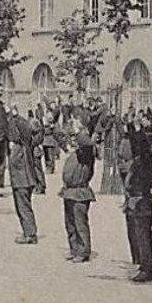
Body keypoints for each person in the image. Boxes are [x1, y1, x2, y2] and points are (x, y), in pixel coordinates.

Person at [123, 109, 152, 282]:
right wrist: (132, 126)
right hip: (136, 200)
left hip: (142, 201)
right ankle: (144, 264)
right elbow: (136, 144)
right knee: (139, 234)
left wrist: (138, 129)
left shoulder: (148, 160)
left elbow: (141, 145)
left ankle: (146, 268)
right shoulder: (143, 159)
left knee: (143, 235)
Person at [59, 104, 100, 262]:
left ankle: (83, 251)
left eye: (74, 119)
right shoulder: (78, 141)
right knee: (69, 222)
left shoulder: (86, 144)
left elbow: (87, 143)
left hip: (80, 190)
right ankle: (74, 248)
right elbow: (62, 135)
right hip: (69, 190)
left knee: (79, 221)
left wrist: (79, 129)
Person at [7, 105, 40, 244]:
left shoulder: (20, 147)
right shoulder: (24, 144)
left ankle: (30, 234)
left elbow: (22, 127)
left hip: (22, 181)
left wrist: (14, 117)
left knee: (23, 207)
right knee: (23, 206)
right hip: (23, 180)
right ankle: (29, 232)